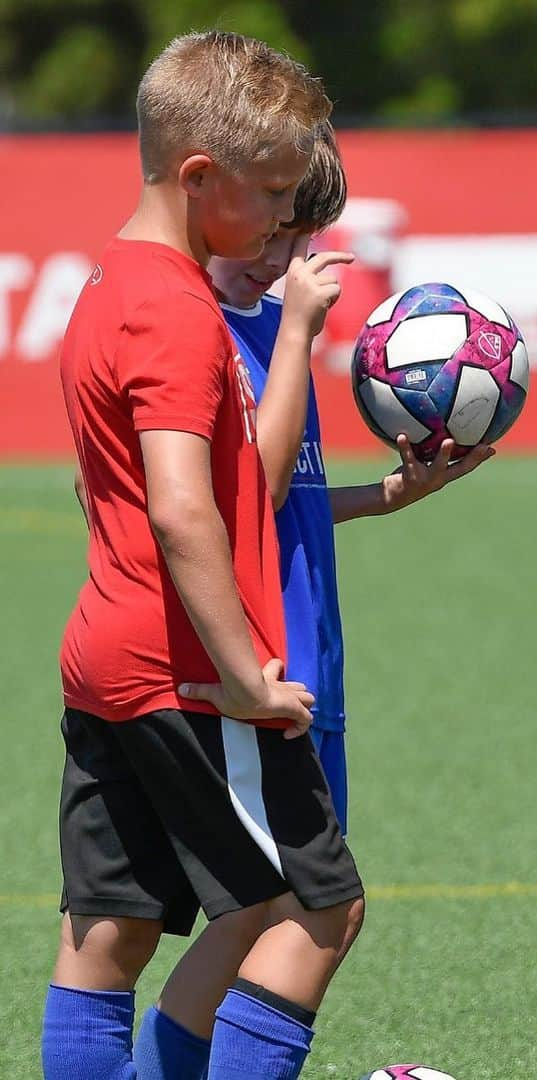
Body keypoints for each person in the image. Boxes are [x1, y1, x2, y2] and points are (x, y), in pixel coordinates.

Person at [129, 122, 494, 1078]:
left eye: (305, 241)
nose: (290, 263)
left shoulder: (265, 326)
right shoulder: (220, 334)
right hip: (258, 661)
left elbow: (281, 503)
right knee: (317, 906)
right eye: (275, 238)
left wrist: (391, 493)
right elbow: (249, 483)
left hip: (307, 658)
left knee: (263, 906)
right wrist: (294, 330)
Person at [45, 31, 365, 1080]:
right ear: (199, 178)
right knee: (320, 909)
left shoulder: (103, 288)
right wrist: (244, 679)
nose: (285, 216)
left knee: (108, 933)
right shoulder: (181, 313)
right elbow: (187, 515)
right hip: (187, 671)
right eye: (273, 191)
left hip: (104, 654)